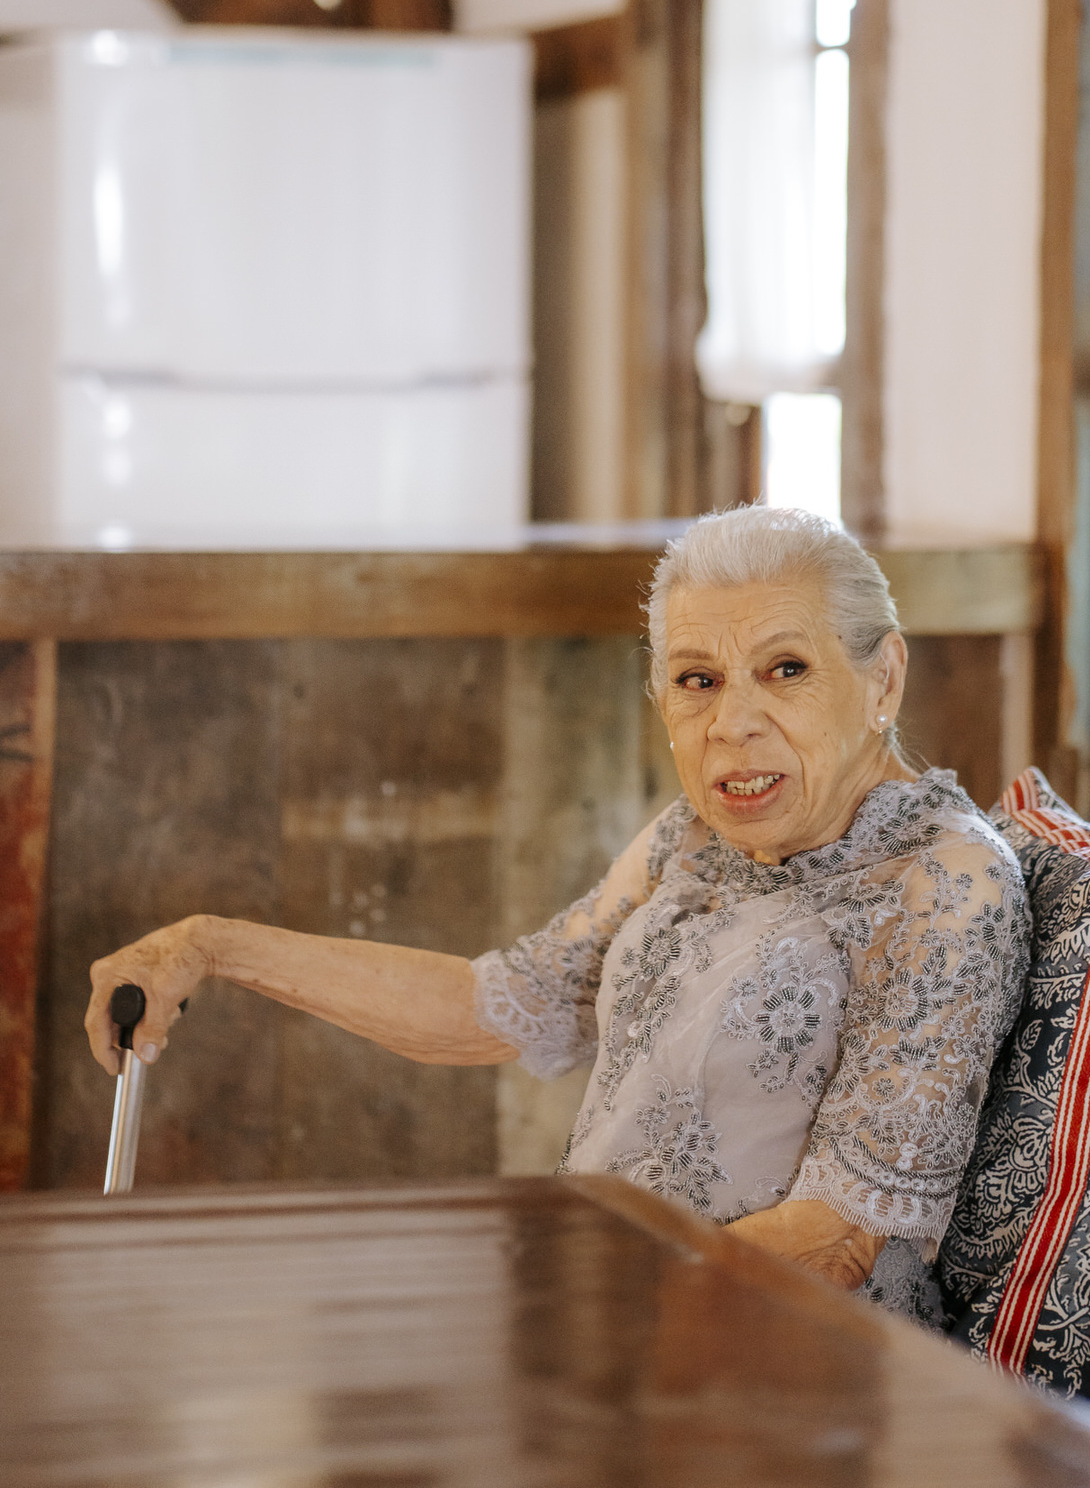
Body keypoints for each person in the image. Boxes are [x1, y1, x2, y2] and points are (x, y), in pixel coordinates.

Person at [86, 506, 1030, 1323]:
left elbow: (840, 1239)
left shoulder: (944, 883)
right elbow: (491, 1004)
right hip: (612, 1314)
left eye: (785, 669)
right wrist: (210, 945)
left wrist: (563, 1304)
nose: (734, 722)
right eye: (698, 679)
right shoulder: (694, 839)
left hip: (781, 1368)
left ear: (883, 681)